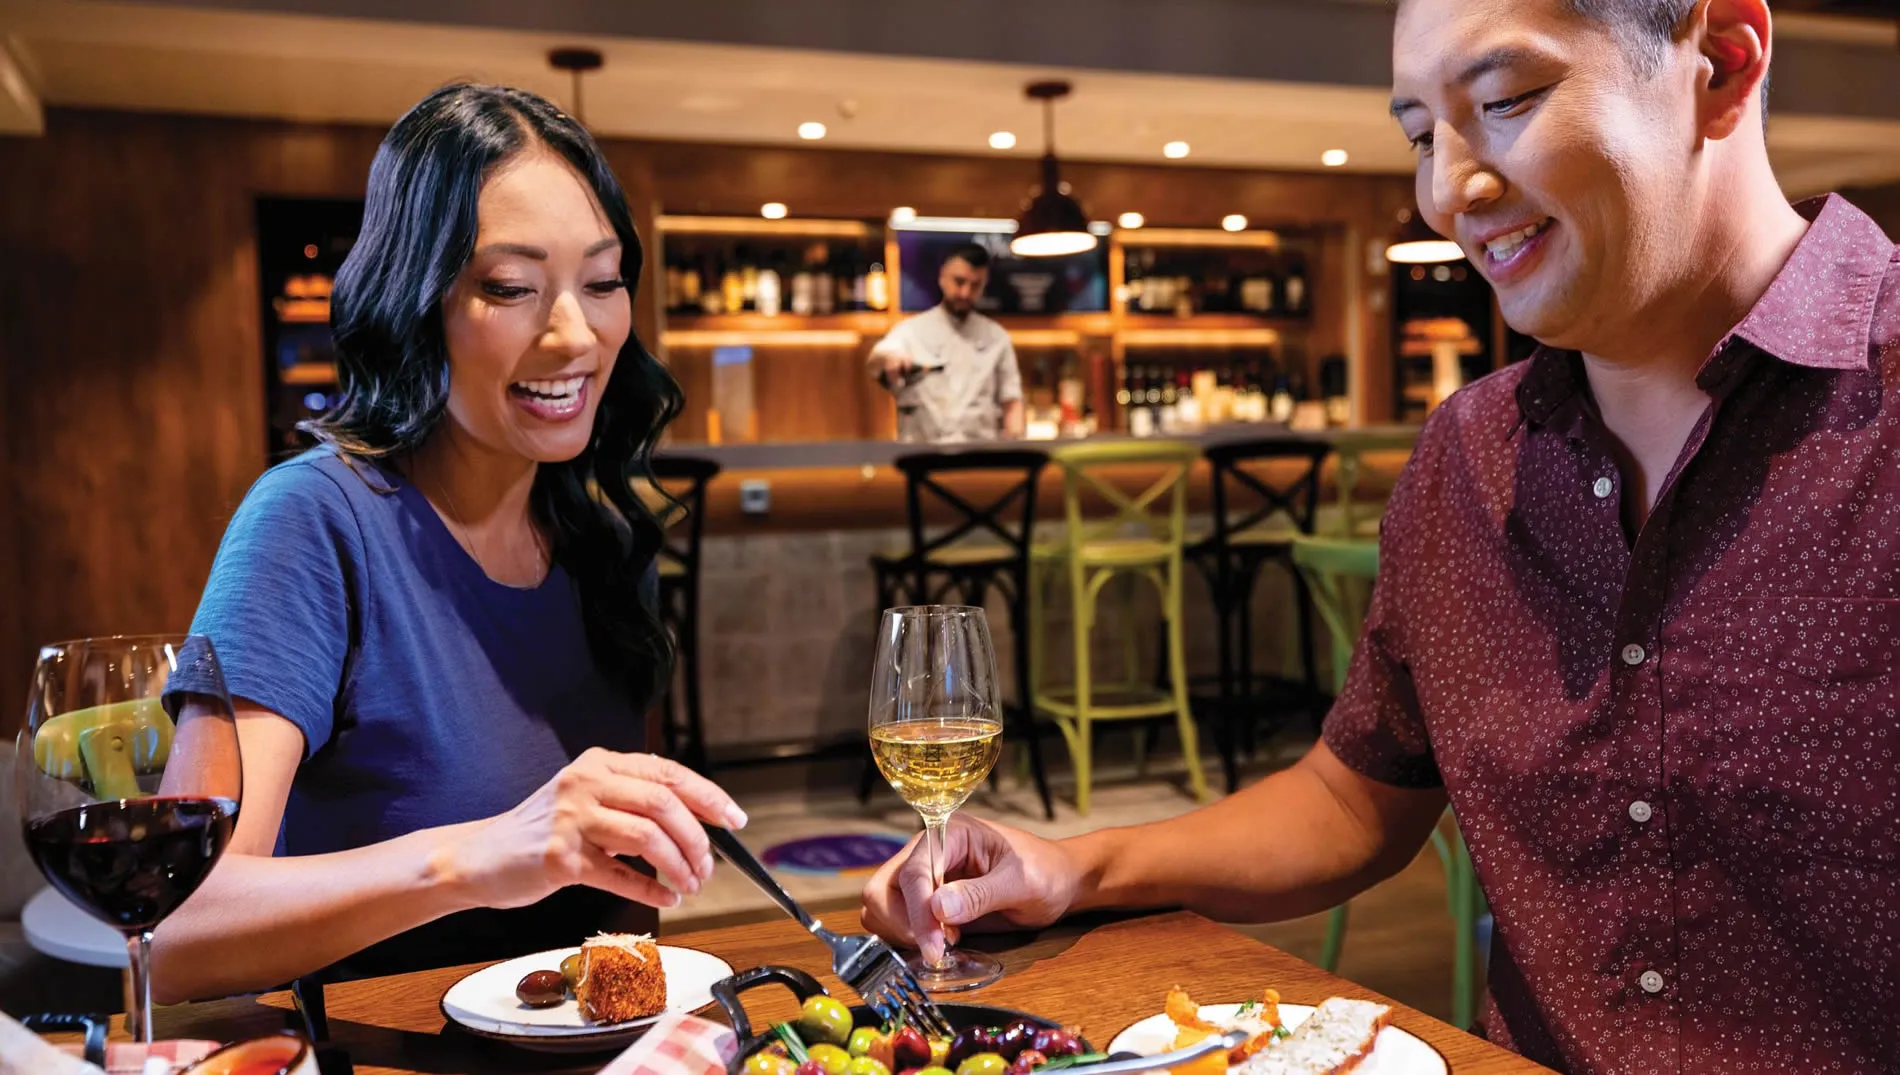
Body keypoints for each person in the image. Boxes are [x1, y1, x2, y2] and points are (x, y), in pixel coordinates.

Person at [863, 0, 1900, 1070]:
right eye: (1419, 135)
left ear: (1721, 64)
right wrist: (1073, 869)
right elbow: (1350, 799)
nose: (1448, 189)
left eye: (1504, 102)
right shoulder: (1469, 455)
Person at [150, 83, 745, 1003]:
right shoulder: (315, 521)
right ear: (414, 299)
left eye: (602, 280)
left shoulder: (599, 535)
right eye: (510, 287)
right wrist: (478, 853)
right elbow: (179, 928)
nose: (576, 334)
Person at [867, 243, 1025, 443]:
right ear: (942, 278)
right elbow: (876, 360)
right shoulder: (911, 331)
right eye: (959, 282)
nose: (965, 293)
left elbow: (1012, 402)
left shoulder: (997, 337)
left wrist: (1013, 446)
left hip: (980, 457)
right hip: (921, 455)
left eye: (975, 285)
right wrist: (890, 359)